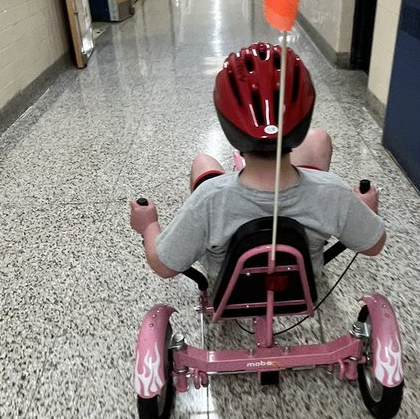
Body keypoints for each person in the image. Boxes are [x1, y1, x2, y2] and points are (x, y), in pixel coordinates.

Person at [129, 42, 386, 280]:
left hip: (229, 287)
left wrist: (149, 224)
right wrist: (364, 211)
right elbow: (373, 246)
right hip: (300, 282)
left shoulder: (208, 200)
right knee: (318, 139)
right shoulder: (334, 192)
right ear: (302, 122)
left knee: (203, 162)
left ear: (229, 128)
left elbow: (164, 266)